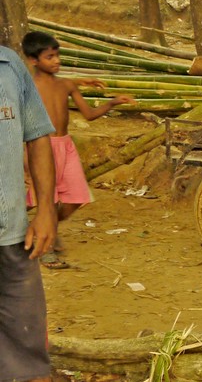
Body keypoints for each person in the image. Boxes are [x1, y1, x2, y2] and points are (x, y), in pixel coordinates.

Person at [1, 43, 112, 382]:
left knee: (28, 327)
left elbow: (37, 137)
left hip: (11, 228)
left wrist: (46, 209)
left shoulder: (9, 65)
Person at [22, 32, 134, 268]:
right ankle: (47, 251)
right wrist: (25, 155)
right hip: (41, 147)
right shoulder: (27, 88)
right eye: (50, 57)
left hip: (66, 146)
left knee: (76, 198)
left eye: (57, 55)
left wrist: (112, 102)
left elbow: (89, 115)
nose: (56, 61)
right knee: (48, 201)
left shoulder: (67, 85)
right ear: (33, 61)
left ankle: (46, 229)